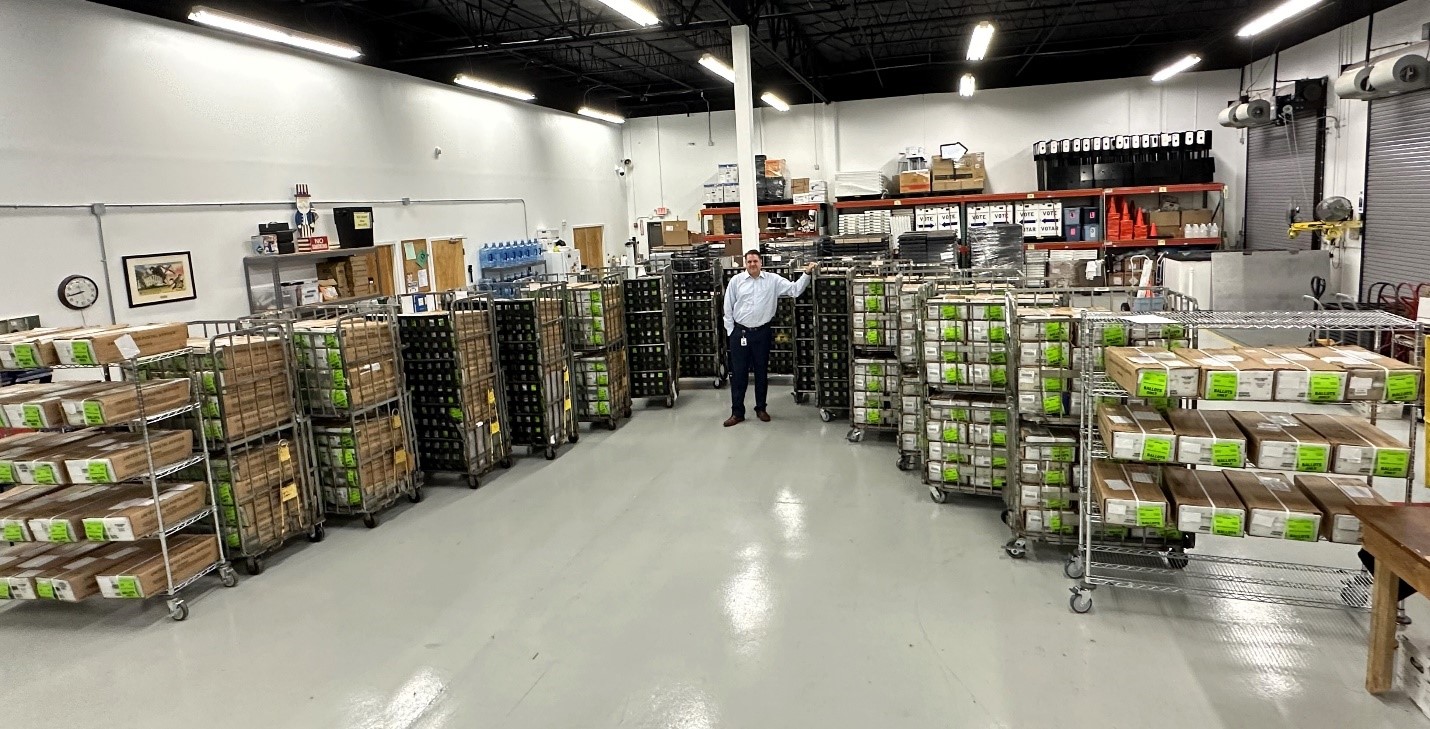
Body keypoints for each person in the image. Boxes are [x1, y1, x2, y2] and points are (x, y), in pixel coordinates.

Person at [722, 251, 817, 426]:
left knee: (761, 372)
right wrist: (731, 332)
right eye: (749, 261)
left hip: (762, 333)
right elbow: (728, 307)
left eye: (755, 261)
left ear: (761, 263)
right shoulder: (736, 282)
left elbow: (794, 290)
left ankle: (761, 408)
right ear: (745, 263)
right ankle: (737, 412)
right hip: (740, 333)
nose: (752, 264)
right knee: (738, 374)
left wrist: (807, 274)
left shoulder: (773, 280)